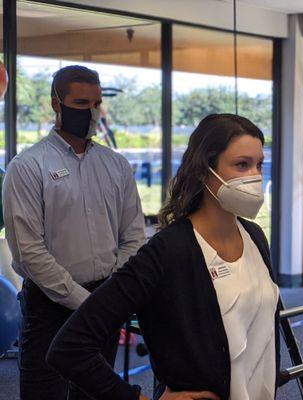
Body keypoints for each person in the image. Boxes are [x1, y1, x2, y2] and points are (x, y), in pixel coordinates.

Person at [46, 114, 280, 400]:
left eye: (259, 165)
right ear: (204, 169)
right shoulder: (169, 249)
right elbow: (69, 347)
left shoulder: (254, 236)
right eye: (241, 165)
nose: (254, 176)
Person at [2, 65, 146, 400]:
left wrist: (111, 294)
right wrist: (87, 302)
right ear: (56, 104)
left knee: (98, 392)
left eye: (96, 104)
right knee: (46, 393)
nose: (92, 113)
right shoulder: (27, 167)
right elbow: (28, 252)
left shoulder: (116, 165)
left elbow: (134, 237)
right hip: (50, 307)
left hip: (105, 300)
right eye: (81, 104)